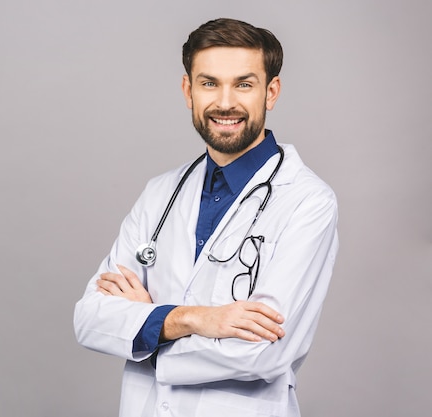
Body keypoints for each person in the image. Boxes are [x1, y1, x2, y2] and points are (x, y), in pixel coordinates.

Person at [74, 17, 338, 417]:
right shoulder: (159, 193)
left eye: (243, 84)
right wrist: (199, 319)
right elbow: (91, 319)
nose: (225, 102)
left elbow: (262, 353)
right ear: (188, 90)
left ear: (271, 92)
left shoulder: (307, 201)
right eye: (209, 83)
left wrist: (146, 330)